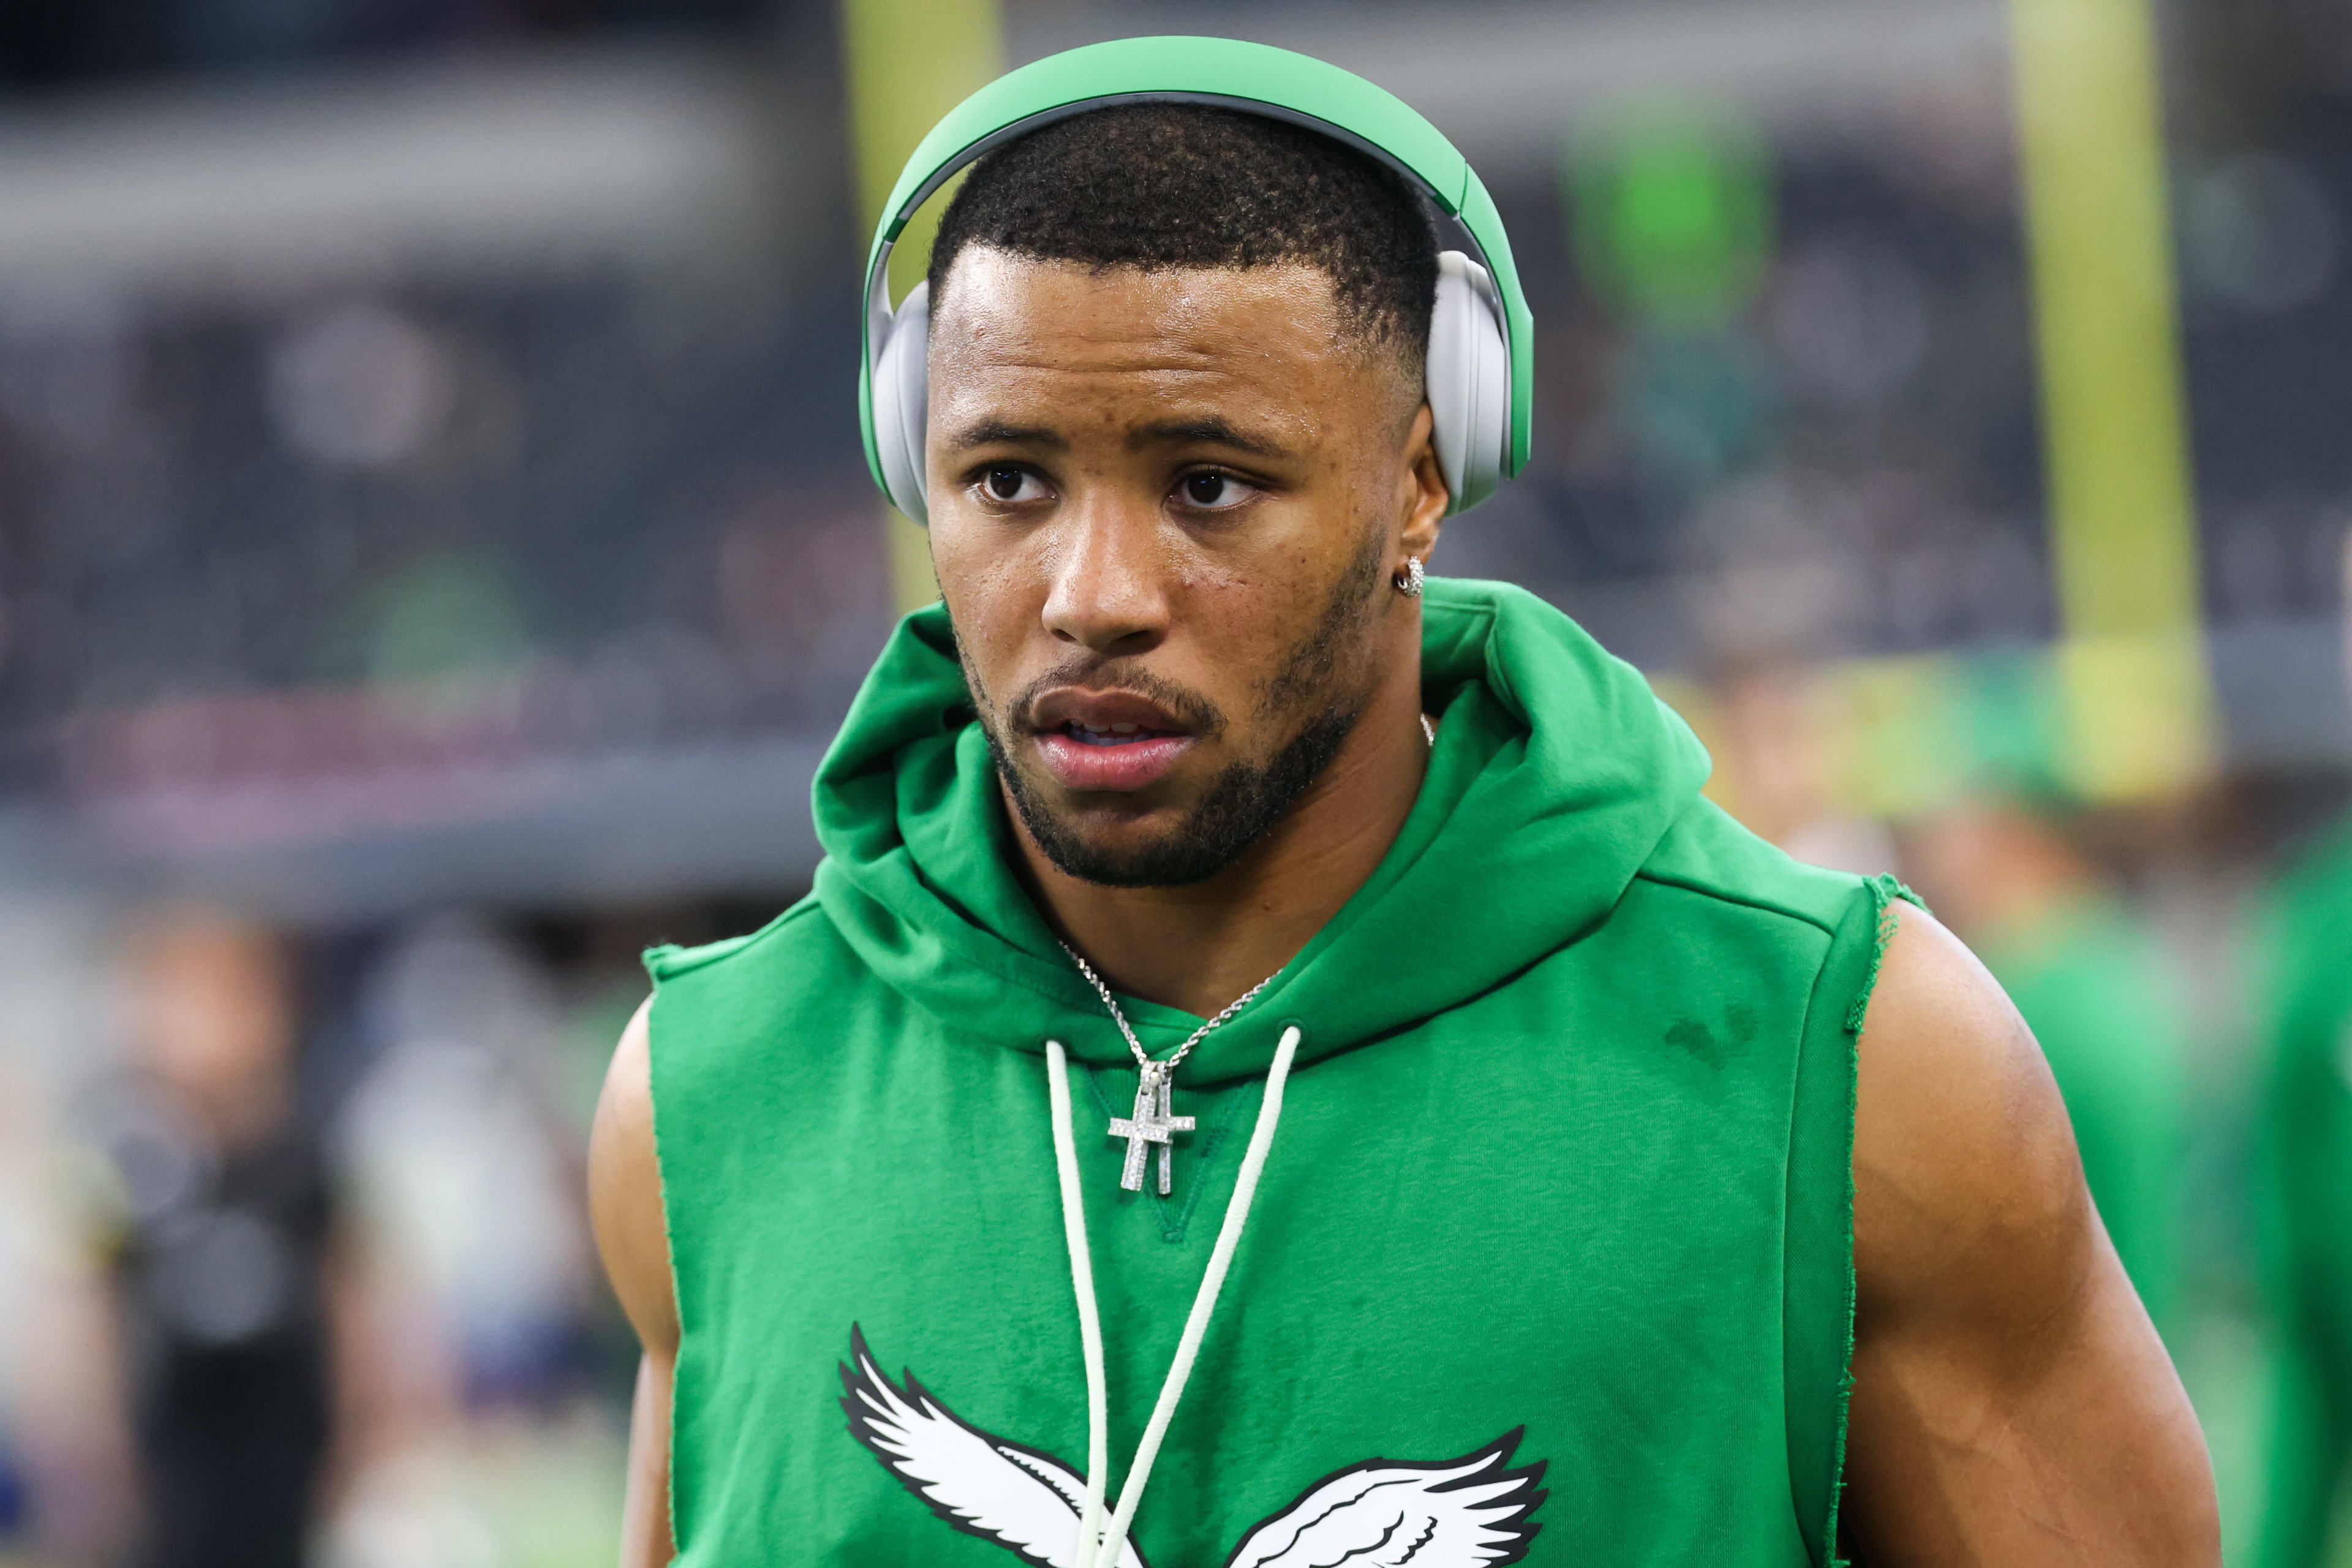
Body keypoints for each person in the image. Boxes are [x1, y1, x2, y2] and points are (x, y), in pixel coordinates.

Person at [590, 40, 2215, 1566]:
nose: (1092, 593)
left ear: (1426, 480)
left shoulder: (1848, 1059)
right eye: (1008, 480)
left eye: (1210, 484)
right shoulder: (708, 1095)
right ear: (908, 458)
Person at [1907, 794, 2188, 1327]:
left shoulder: (2021, 1012)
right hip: (2138, 1349)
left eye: (1952, 829)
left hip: (2056, 1358)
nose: (1932, 850)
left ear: (2018, 838)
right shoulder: (2115, 964)